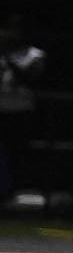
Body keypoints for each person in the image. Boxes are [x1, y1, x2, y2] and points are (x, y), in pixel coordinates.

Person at [0, 14, 47, 201]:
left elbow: (29, 78)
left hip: (21, 111)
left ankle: (17, 194)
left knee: (18, 154)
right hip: (1, 110)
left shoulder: (34, 55)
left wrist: (6, 57)